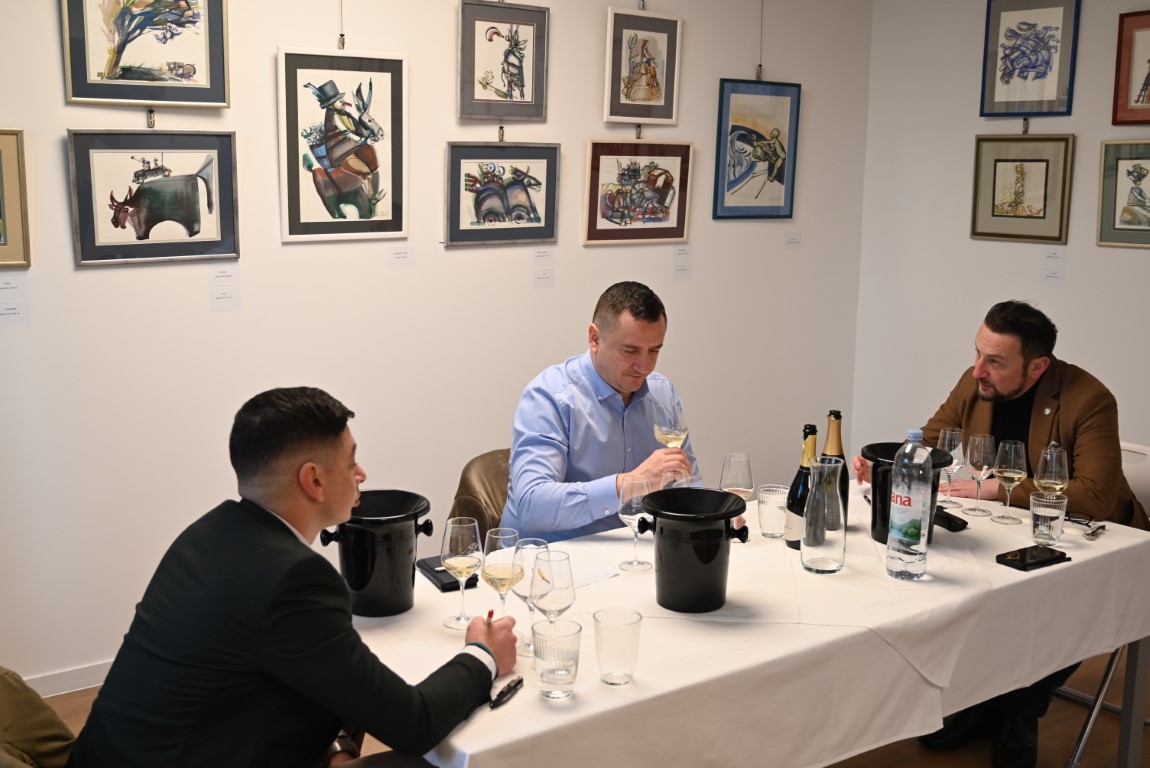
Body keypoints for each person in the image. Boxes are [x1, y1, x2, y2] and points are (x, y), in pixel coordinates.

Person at [67, 387, 517, 768]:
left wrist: (334, 746)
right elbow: (413, 724)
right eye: (351, 462)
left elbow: (287, 678)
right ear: (313, 480)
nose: (361, 474)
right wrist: (483, 655)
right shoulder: (294, 578)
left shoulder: (205, 534)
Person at [853, 300, 1146, 768]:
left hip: (1092, 539)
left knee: (1049, 602)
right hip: (1002, 531)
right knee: (964, 593)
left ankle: (1017, 712)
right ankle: (983, 699)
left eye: (994, 361)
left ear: (1038, 367)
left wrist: (993, 488)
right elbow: (930, 444)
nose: (977, 370)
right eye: (977, 353)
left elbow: (1094, 494)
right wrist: (888, 466)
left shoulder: (1089, 398)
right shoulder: (975, 383)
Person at [501, 281, 698, 542]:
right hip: (549, 554)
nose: (645, 366)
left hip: (632, 549)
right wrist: (628, 484)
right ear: (595, 338)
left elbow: (686, 479)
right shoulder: (549, 397)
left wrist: (709, 515)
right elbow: (532, 506)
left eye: (654, 351)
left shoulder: (663, 393)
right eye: (630, 351)